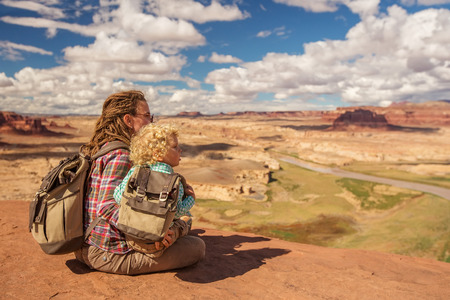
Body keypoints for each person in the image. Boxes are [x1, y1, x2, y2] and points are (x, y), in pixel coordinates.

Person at [75, 90, 205, 275]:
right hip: (108, 253)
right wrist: (149, 230)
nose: (150, 122)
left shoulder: (105, 147)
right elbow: (106, 207)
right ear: (128, 120)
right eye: (146, 116)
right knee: (197, 247)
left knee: (185, 225)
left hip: (91, 245)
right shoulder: (121, 155)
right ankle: (180, 227)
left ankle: (180, 226)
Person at [113, 123, 195, 257]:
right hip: (157, 243)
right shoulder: (174, 182)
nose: (180, 150)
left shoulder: (135, 172)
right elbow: (176, 212)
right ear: (157, 154)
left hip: (132, 238)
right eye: (175, 147)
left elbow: (118, 196)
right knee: (186, 219)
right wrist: (191, 199)